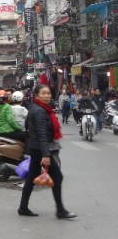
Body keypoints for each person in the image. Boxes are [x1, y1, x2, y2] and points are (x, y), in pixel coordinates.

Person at [18, 84, 76, 219]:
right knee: (57, 177)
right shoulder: (39, 111)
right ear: (37, 95)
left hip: (35, 147)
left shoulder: (38, 108)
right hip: (40, 149)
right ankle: (60, 210)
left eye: (48, 93)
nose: (47, 96)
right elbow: (42, 134)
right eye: (44, 93)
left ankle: (23, 207)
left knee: (32, 178)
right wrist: (46, 154)